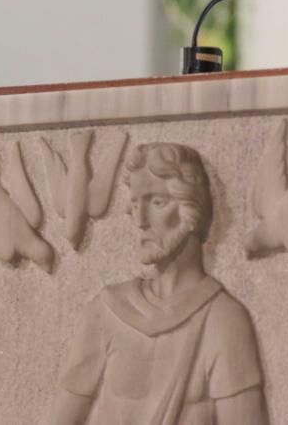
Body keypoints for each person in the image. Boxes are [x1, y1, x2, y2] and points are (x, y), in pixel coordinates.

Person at [49, 143, 269, 425]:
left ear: (193, 210)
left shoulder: (223, 320)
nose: (140, 221)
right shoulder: (106, 312)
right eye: (135, 204)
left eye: (156, 203)